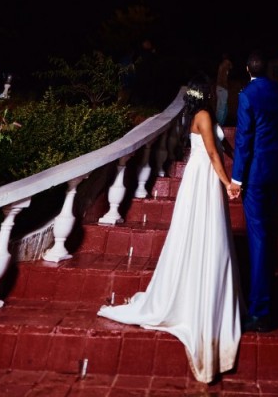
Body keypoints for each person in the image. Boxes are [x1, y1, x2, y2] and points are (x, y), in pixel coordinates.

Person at [97, 75, 243, 383]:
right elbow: (212, 154)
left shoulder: (201, 116)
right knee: (201, 231)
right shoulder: (202, 117)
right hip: (202, 178)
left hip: (202, 177)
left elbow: (221, 146)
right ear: (204, 96)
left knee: (210, 235)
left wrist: (238, 158)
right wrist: (228, 182)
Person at [230, 51, 278, 333]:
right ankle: (264, 300)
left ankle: (261, 311)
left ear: (247, 69)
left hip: (254, 174)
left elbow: (243, 140)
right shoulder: (277, 91)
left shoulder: (246, 95)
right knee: (267, 231)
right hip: (275, 169)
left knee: (259, 237)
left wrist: (237, 178)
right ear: (266, 68)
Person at [215, 55, 233, 126]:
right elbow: (223, 80)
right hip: (222, 89)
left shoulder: (222, 66)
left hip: (220, 89)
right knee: (221, 109)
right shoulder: (224, 67)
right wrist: (226, 87)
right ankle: (219, 125)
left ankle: (220, 124)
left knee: (224, 108)